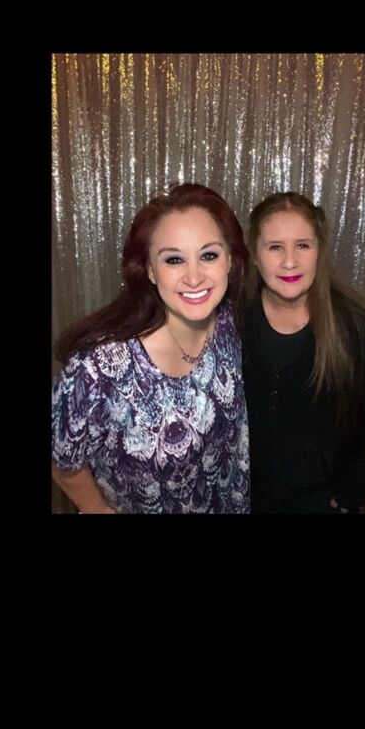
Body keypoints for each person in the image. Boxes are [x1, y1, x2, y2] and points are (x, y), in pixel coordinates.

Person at [52, 183, 251, 514]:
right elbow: (61, 458)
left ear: (229, 260)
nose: (194, 277)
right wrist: (98, 509)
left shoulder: (227, 321)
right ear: (150, 271)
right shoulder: (97, 369)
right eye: (174, 259)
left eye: (209, 255)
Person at [241, 191, 365, 514]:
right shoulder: (231, 320)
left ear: (319, 251)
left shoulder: (356, 327)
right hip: (241, 499)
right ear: (255, 256)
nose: (290, 261)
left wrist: (351, 492)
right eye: (275, 247)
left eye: (303, 245)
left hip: (319, 502)